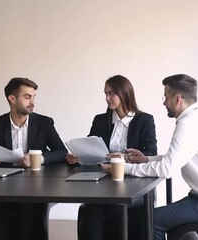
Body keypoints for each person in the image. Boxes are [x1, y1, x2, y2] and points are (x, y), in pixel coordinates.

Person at [101, 74, 198, 240]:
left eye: (165, 97)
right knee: (155, 218)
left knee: (151, 220)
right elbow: (173, 158)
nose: (163, 102)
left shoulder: (189, 125)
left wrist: (123, 168)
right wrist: (147, 159)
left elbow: (166, 169)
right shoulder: (197, 118)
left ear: (177, 99)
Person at [0, 77, 67, 240]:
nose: (32, 101)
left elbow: (62, 152)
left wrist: (38, 159)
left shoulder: (44, 123)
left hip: (36, 186)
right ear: (12, 99)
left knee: (27, 209)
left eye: (34, 97)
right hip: (3, 187)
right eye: (27, 97)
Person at [66, 75, 157, 240]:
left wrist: (124, 156)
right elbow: (90, 147)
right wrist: (78, 156)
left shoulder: (144, 120)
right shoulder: (100, 120)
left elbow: (151, 153)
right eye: (105, 93)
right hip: (103, 180)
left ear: (125, 93)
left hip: (133, 180)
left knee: (116, 205)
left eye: (112, 93)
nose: (107, 98)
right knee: (92, 208)